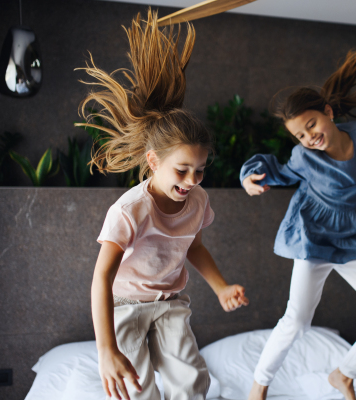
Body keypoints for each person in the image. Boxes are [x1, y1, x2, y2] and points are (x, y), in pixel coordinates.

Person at [240, 40, 356, 400]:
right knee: (297, 320)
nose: (310, 137)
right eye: (300, 135)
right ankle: (257, 387)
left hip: (353, 235)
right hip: (314, 239)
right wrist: (252, 177)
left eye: (312, 125)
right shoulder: (303, 157)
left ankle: (343, 374)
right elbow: (277, 170)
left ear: (327, 112)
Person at [80, 11, 249, 400]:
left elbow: (195, 247)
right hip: (123, 306)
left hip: (169, 303)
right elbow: (101, 279)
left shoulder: (198, 200)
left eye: (201, 171)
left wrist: (221, 287)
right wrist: (106, 351)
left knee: (192, 383)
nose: (192, 181)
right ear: (154, 161)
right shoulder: (130, 210)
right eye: (183, 170)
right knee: (135, 388)